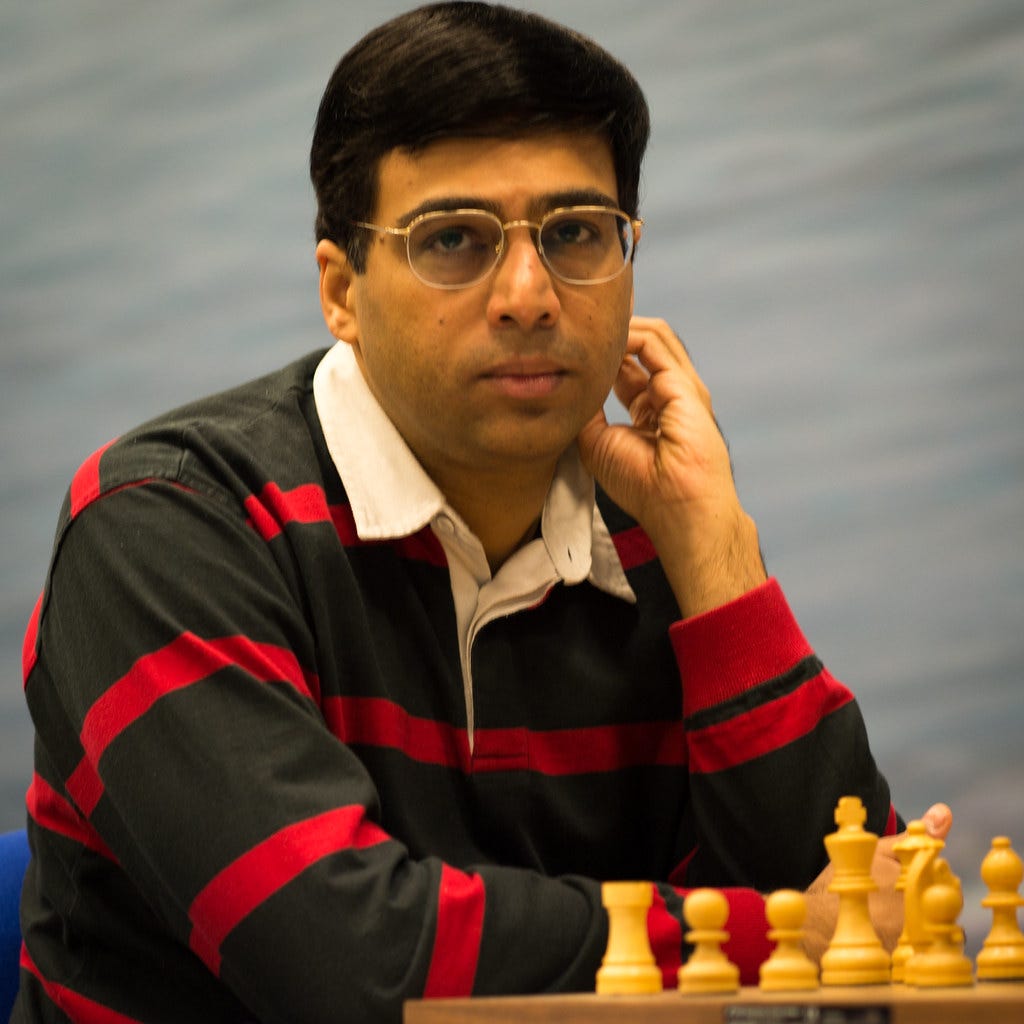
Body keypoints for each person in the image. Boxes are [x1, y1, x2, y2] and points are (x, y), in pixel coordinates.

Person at [13, 4, 950, 1023]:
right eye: (453, 239)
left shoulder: (656, 529)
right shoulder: (169, 526)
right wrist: (764, 939)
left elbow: (864, 926)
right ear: (341, 290)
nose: (528, 293)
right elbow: (345, 964)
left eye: (576, 234)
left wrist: (718, 552)